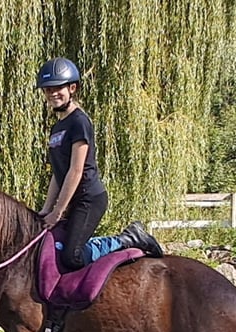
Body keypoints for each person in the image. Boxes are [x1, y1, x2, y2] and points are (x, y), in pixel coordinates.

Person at [36, 57, 163, 271]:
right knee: (52, 247)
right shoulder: (57, 128)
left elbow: (75, 171)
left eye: (58, 88)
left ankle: (127, 239)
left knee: (71, 256)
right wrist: (44, 210)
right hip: (73, 200)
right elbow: (58, 174)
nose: (52, 94)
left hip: (89, 199)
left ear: (72, 88)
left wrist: (57, 211)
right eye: (48, 90)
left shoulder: (79, 122)